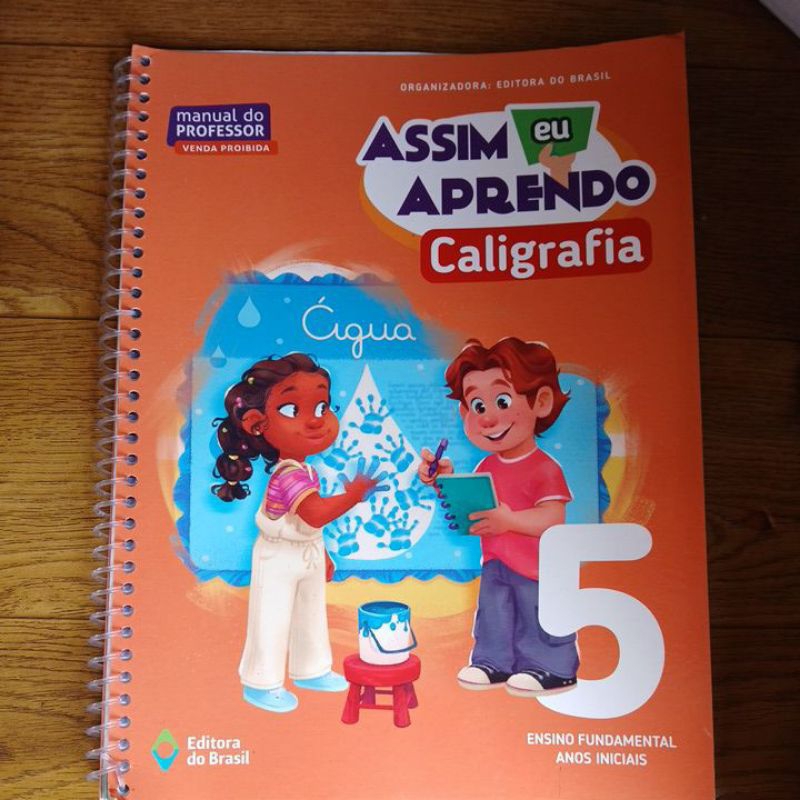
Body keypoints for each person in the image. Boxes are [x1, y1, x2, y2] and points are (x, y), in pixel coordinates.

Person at [212, 353, 380, 713]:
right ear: (258, 424)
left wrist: (323, 554)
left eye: (322, 407)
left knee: (310, 612)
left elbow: (309, 525)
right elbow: (315, 513)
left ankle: (312, 669)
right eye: (292, 410)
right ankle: (261, 682)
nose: (316, 420)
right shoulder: (288, 473)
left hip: (307, 551)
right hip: (279, 556)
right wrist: (352, 496)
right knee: (271, 617)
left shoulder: (305, 469)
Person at [419, 337, 579, 697]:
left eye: (502, 401)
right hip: (495, 561)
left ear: (540, 402)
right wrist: (443, 481)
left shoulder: (544, 468)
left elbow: (553, 519)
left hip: (538, 568)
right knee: (494, 614)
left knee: (537, 614)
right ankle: (494, 661)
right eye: (477, 405)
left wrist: (510, 522)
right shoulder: (487, 465)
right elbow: (475, 507)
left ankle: (551, 666)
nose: (488, 417)